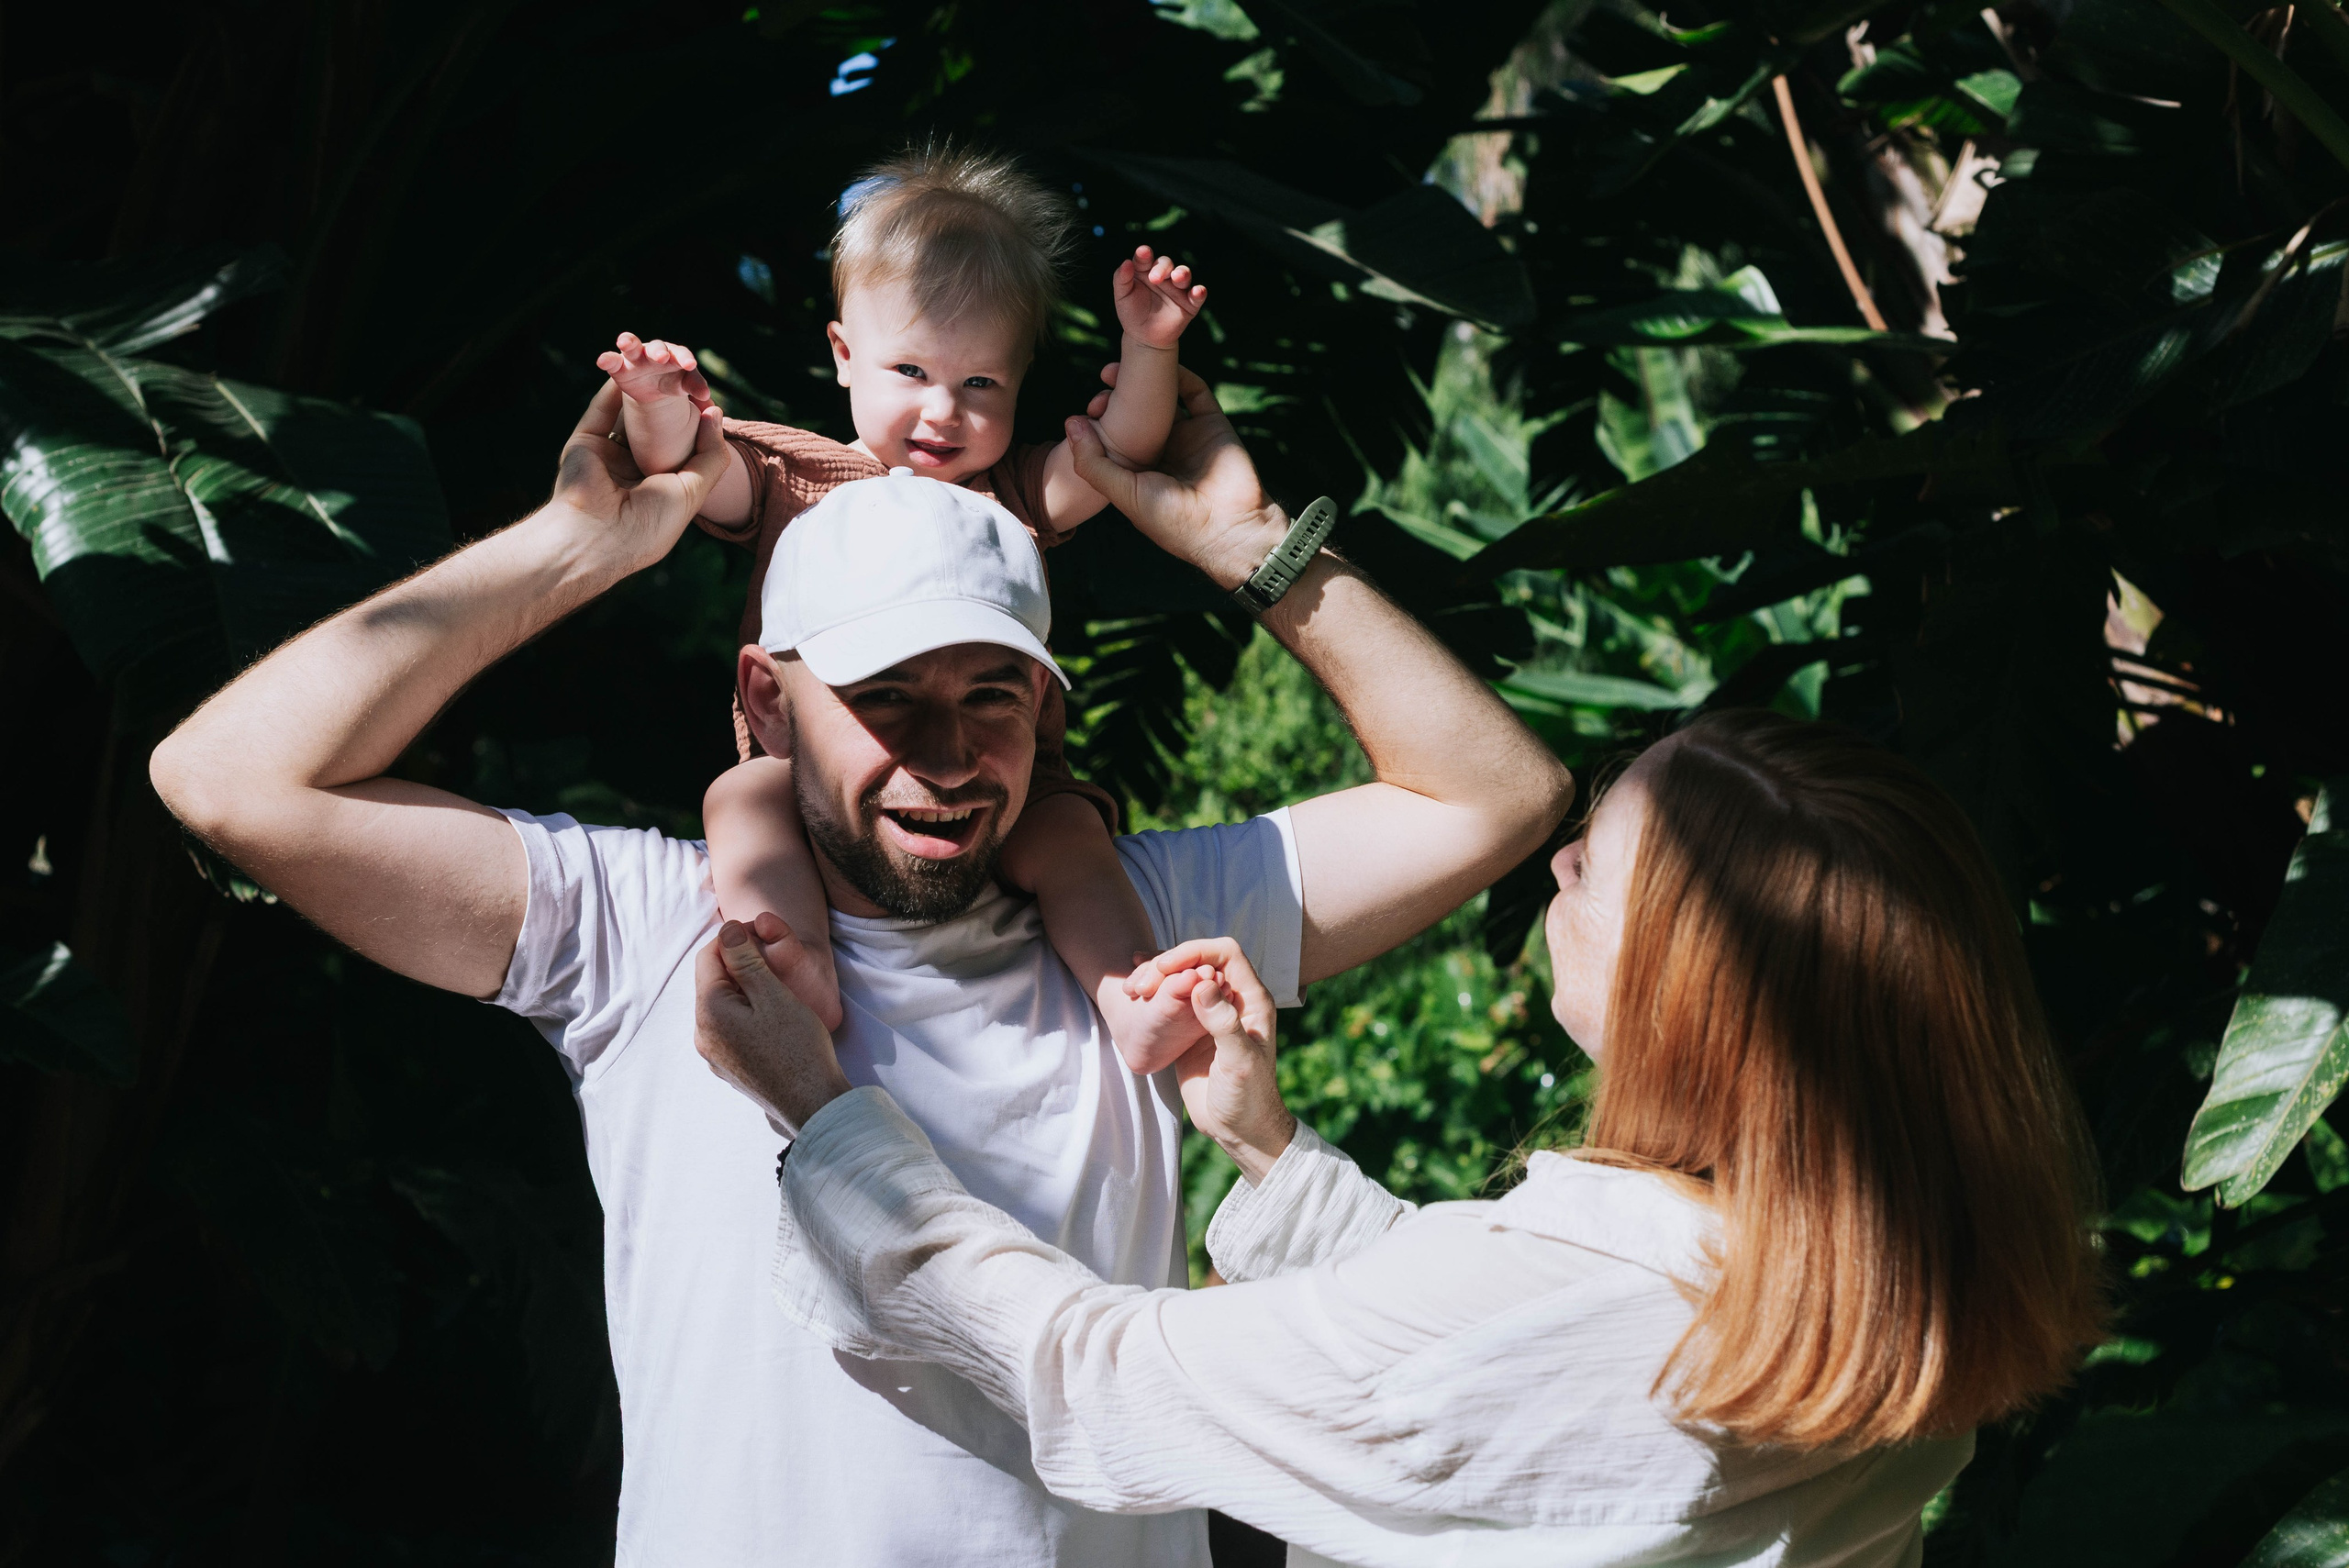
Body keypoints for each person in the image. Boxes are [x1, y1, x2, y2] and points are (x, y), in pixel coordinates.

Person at [146, 359, 1574, 1562]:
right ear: (765, 701)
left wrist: (1247, 538)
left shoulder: (1137, 931)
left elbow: (1499, 796)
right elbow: (228, 782)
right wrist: (577, 545)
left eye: (993, 694)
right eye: (884, 698)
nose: (946, 758)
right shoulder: (653, 932)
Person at [693, 710, 2110, 1568]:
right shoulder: (1880, 1283)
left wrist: (827, 1122)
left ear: (1692, 999)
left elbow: (1101, 1376)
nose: (1557, 860)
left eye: (1594, 862)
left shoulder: (1580, 1305)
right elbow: (1509, 1394)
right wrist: (1272, 1149)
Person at [605, 141, 1212, 1073]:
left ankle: (1129, 991)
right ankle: (792, 960)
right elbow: (692, 475)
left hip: (1009, 782)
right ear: (845, 355)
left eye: (981, 384)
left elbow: (1119, 449)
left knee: (1071, 835)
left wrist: (1150, 346)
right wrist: (656, 404)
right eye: (912, 372)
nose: (944, 413)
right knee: (743, 795)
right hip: (810, 769)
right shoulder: (793, 476)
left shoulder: (1004, 494)